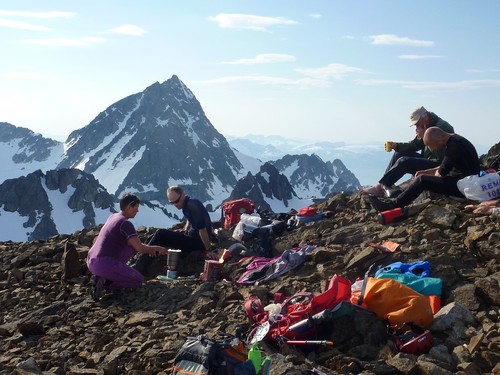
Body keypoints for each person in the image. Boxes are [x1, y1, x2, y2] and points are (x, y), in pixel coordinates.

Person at [368, 127, 481, 212]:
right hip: (464, 179)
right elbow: (445, 166)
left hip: (465, 185)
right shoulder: (456, 140)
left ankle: (393, 206)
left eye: (431, 146)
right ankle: (400, 196)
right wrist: (426, 171)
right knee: (422, 176)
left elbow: (441, 173)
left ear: (438, 140)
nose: (432, 150)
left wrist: (425, 176)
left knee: (422, 180)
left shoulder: (453, 147)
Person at [86, 193, 168, 301]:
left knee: (130, 247)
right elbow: (140, 248)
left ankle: (104, 277)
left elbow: (134, 246)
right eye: (136, 207)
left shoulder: (113, 217)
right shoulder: (125, 224)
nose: (137, 211)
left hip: (91, 261)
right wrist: (158, 249)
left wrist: (149, 249)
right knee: (138, 280)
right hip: (103, 263)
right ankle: (106, 284)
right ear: (129, 207)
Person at [360, 106, 454, 197]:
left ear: (425, 117)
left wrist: (424, 136)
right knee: (399, 154)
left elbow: (440, 155)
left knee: (404, 162)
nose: (416, 126)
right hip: (429, 160)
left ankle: (380, 188)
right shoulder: (426, 125)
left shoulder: (441, 127)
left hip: (439, 166)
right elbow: (414, 145)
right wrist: (397, 146)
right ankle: (383, 185)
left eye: (417, 123)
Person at [133, 186, 218, 276]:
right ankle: (140, 261)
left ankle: (139, 268)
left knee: (160, 234)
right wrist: (185, 228)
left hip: (198, 243)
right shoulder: (188, 203)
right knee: (153, 237)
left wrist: (209, 250)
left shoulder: (193, 205)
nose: (175, 204)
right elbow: (190, 218)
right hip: (193, 238)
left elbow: (203, 230)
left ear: (183, 194)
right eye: (172, 203)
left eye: (176, 201)